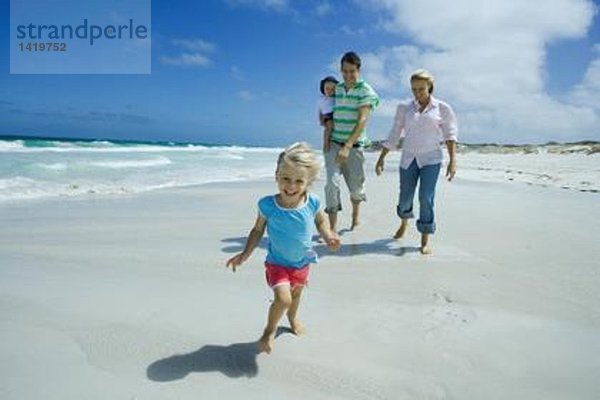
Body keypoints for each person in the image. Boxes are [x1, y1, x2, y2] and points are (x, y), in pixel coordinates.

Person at [226, 142, 341, 354]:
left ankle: (293, 318)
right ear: (276, 175)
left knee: (295, 296)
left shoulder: (312, 202)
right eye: (285, 178)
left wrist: (328, 236)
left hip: (302, 262)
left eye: (299, 181)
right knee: (284, 298)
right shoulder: (268, 205)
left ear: (308, 182)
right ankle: (269, 331)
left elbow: (321, 221)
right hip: (277, 263)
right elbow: (257, 231)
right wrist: (244, 254)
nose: (291, 186)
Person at [375, 69, 458, 255]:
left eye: (421, 89)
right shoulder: (404, 108)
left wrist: (453, 160)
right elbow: (395, 133)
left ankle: (424, 238)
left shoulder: (442, 108)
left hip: (431, 158)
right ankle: (404, 222)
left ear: (429, 86)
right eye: (414, 89)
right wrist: (382, 157)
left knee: (426, 197)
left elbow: (450, 135)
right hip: (408, 158)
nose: (417, 93)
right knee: (405, 197)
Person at [324, 51, 379, 232]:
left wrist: (348, 146)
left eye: (352, 71)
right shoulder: (337, 89)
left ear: (359, 70)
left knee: (356, 188)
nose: (348, 76)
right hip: (334, 143)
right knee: (331, 185)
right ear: (340, 70)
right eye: (345, 71)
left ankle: (355, 217)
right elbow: (324, 106)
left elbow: (362, 120)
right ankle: (332, 228)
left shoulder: (366, 91)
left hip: (353, 147)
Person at [317, 76, 339, 153]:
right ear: (323, 89)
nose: (330, 91)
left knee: (332, 130)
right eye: (327, 89)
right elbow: (319, 110)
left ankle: (331, 142)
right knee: (328, 129)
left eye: (333, 89)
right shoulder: (321, 99)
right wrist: (321, 120)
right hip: (327, 115)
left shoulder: (337, 97)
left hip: (336, 115)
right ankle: (326, 143)